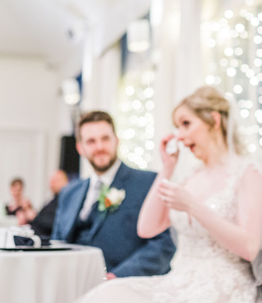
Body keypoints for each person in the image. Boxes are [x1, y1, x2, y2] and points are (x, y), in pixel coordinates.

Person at [24, 87, 262, 303]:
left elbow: (249, 246)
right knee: (112, 301)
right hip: (181, 281)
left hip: (223, 291)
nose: (179, 134)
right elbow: (147, 227)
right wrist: (167, 168)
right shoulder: (190, 175)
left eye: (186, 123)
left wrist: (194, 206)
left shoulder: (247, 173)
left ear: (213, 120)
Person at [51, 111, 175, 278]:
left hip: (124, 287)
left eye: (105, 139)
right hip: (72, 283)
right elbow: (56, 243)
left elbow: (164, 245)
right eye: (91, 141)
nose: (100, 147)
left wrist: (116, 276)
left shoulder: (148, 182)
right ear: (80, 148)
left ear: (116, 141)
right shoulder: (69, 192)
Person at [29, 170, 68, 238]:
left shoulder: (64, 201)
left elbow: (56, 223)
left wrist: (34, 217)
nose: (51, 184)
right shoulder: (53, 199)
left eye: (54, 181)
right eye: (51, 181)